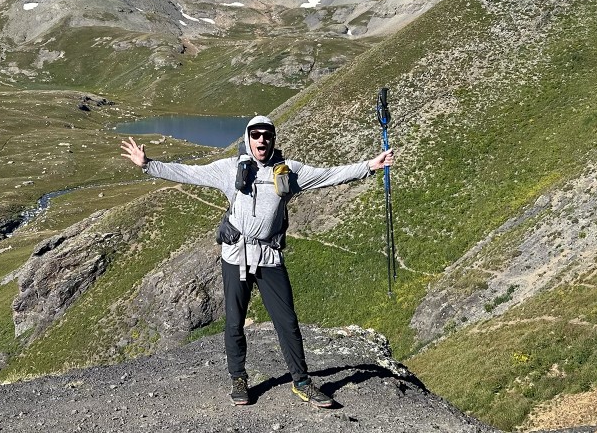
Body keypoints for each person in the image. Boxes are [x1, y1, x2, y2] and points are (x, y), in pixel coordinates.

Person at [120, 115, 394, 408]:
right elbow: (190, 172)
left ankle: (301, 382)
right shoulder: (229, 169)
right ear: (248, 138)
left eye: (267, 135)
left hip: (269, 256)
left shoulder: (289, 171)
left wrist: (369, 166)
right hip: (236, 255)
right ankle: (238, 379)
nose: (261, 140)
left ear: (273, 139)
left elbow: (328, 174)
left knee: (286, 321)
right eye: (256, 135)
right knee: (235, 321)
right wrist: (149, 165)